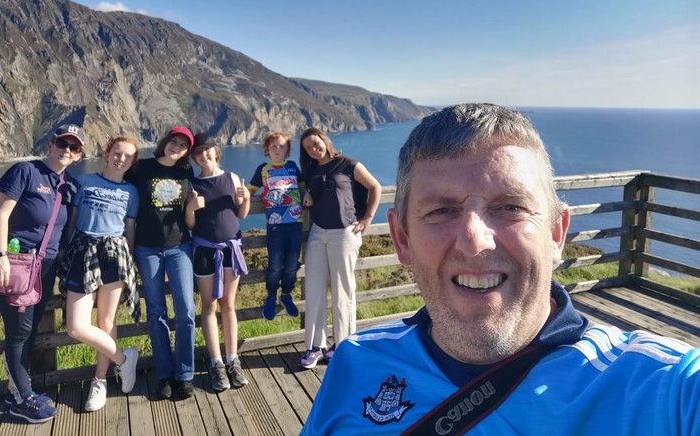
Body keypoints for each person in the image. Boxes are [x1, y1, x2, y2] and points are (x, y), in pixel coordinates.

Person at [302, 103, 700, 435]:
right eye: (442, 210)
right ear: (402, 239)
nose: (475, 241)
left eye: (510, 206)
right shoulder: (354, 363)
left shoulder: (663, 387)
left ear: (556, 234)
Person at [0, 124, 83, 423]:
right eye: (62, 143)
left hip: (45, 267)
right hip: (15, 262)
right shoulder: (25, 172)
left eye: (74, 147)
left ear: (79, 155)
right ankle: (23, 399)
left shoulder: (69, 186)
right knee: (19, 332)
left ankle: (18, 390)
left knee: (28, 330)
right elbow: (1, 213)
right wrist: (0, 257)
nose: (66, 150)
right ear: (50, 144)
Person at [58, 136, 140, 411]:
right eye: (117, 153)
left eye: (127, 156)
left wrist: (130, 261)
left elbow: (129, 231)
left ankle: (100, 380)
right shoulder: (85, 181)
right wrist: (63, 251)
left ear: (132, 162)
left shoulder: (132, 192)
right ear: (107, 154)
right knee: (75, 327)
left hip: (115, 254)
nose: (121, 159)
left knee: (107, 322)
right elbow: (70, 221)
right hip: (83, 250)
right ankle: (124, 361)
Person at [298, 128, 382, 369]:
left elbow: (374, 187)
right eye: (308, 148)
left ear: (324, 140)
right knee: (313, 289)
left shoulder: (347, 164)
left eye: (315, 143)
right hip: (318, 232)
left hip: (344, 233)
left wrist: (368, 217)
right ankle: (315, 346)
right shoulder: (311, 170)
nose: (313, 149)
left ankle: (343, 344)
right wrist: (307, 193)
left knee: (342, 291)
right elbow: (307, 190)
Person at [124, 126, 196, 401]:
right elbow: (119, 182)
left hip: (180, 247)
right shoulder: (140, 168)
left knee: (186, 310)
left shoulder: (185, 172)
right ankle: (164, 375)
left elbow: (193, 204)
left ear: (187, 151)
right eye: (173, 141)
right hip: (147, 249)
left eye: (182, 145)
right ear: (165, 142)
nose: (176, 147)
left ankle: (185, 375)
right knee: (156, 313)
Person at [185, 132, 251, 392]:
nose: (203, 155)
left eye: (207, 149)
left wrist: (244, 198)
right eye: (197, 152)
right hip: (204, 250)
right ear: (194, 157)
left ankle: (232, 360)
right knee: (209, 306)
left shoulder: (231, 177)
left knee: (228, 305)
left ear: (215, 151)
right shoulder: (191, 184)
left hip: (230, 249)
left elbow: (242, 215)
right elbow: (190, 224)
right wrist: (191, 208)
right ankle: (216, 364)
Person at [247, 132, 304, 321]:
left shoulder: (293, 167)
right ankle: (271, 296)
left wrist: (309, 194)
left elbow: (304, 187)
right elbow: (251, 190)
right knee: (275, 266)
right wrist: (241, 194)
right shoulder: (263, 169)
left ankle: (286, 294)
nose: (277, 149)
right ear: (266, 149)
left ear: (288, 149)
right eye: (273, 146)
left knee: (291, 266)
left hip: (295, 224)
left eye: (281, 146)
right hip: (275, 227)